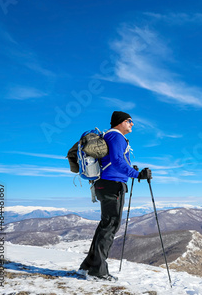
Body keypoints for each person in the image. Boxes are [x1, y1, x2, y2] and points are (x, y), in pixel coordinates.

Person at [79, 111, 151, 281]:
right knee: (110, 225)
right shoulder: (116, 136)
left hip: (106, 185)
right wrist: (137, 174)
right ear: (120, 122)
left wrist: (130, 169)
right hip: (112, 185)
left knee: (106, 225)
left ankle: (88, 266)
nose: (132, 124)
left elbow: (116, 161)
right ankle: (97, 271)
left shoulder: (111, 137)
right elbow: (118, 161)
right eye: (129, 121)